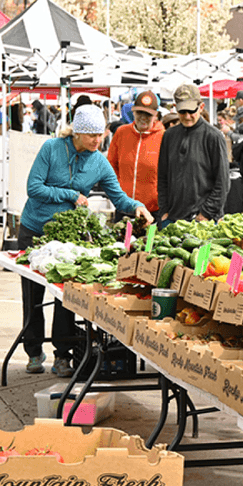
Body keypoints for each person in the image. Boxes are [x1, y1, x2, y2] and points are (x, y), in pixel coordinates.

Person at [20, 105, 152, 377]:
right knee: (33, 295)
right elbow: (33, 188)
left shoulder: (99, 162)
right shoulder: (52, 149)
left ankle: (62, 355)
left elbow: (119, 198)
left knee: (66, 295)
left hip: (66, 238)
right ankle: (33, 351)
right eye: (91, 135)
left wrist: (137, 206)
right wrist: (69, 195)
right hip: (34, 229)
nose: (97, 140)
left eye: (100, 135)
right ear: (76, 133)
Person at [157, 83, 230, 229]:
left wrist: (206, 213)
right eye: (182, 111)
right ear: (175, 108)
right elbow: (162, 176)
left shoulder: (214, 136)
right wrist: (164, 210)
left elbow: (222, 182)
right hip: (173, 219)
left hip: (204, 220)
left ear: (201, 107)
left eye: (191, 111)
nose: (187, 116)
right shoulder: (169, 136)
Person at [107, 90, 164, 221]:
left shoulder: (163, 137)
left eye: (148, 114)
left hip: (153, 211)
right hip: (124, 209)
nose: (143, 117)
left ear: (156, 115)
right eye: (139, 112)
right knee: (122, 242)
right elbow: (111, 166)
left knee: (150, 242)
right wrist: (119, 193)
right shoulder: (121, 133)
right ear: (133, 111)